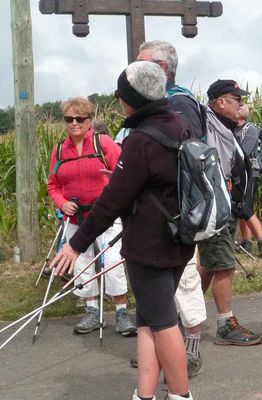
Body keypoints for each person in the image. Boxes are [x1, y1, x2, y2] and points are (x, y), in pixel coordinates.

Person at [50, 61, 195, 399]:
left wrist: (75, 245)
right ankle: (143, 394)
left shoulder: (141, 141)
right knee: (147, 319)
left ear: (132, 98)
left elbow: (113, 199)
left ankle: (181, 395)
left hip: (151, 246)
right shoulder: (180, 124)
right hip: (179, 238)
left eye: (120, 95)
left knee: (164, 323)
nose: (118, 101)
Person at [136, 40, 207, 377]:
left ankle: (188, 351)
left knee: (186, 283)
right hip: (162, 216)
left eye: (141, 64)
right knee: (162, 295)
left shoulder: (179, 102)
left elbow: (190, 159)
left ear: (161, 69)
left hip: (177, 216)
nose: (133, 70)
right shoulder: (158, 106)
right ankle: (164, 352)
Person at [47, 97, 136, 337]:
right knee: (82, 264)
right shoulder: (58, 150)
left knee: (113, 262)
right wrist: (62, 203)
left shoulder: (103, 143)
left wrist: (113, 193)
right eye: (69, 119)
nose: (74, 123)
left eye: (80, 118)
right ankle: (91, 310)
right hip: (75, 219)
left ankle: (121, 312)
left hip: (105, 215)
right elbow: (52, 185)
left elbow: (123, 173)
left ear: (89, 121)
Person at [196, 79, 262, 346]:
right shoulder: (208, 123)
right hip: (215, 205)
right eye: (237, 100)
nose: (241, 104)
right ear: (221, 102)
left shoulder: (224, 126)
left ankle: (185, 317)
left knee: (211, 264)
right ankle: (225, 324)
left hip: (224, 204)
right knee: (223, 264)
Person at [234, 105, 262, 258]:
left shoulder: (250, 129)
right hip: (238, 173)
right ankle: (246, 242)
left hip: (250, 172)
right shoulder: (233, 129)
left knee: (246, 207)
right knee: (241, 206)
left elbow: (244, 152)